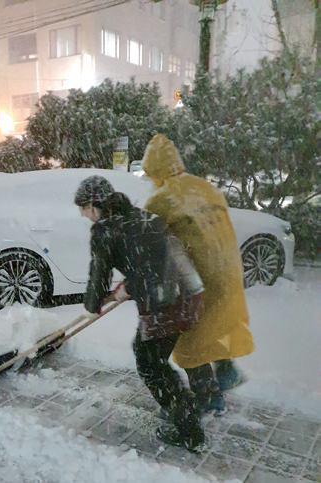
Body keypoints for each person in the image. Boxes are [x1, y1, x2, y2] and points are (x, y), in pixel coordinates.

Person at [74, 175, 206, 452]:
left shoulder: (104, 230)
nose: (81, 214)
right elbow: (153, 258)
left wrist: (92, 305)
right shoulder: (142, 217)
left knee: (149, 361)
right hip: (189, 292)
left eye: (82, 207)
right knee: (152, 353)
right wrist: (130, 284)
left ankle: (188, 427)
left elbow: (99, 274)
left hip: (165, 300)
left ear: (93, 205)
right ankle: (184, 404)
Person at [141, 133, 255, 413]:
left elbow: (149, 241)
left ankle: (210, 399)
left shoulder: (161, 199)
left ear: (154, 169)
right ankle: (227, 372)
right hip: (228, 269)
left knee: (192, 341)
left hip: (201, 277)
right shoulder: (204, 187)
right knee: (218, 324)